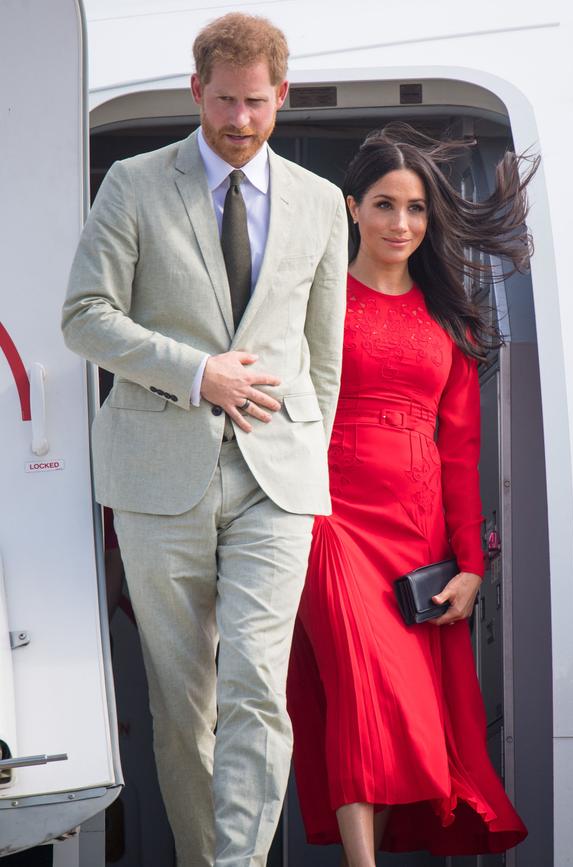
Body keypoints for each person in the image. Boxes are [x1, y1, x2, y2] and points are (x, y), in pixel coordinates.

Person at [61, 12, 347, 867]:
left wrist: (304, 453)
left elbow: (321, 358)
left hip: (275, 480)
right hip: (159, 475)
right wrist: (197, 374)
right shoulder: (134, 184)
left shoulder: (322, 203)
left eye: (256, 103)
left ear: (281, 96)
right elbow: (85, 318)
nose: (239, 120)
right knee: (184, 705)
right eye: (223, 100)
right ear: (196, 91)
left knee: (260, 685)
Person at [287, 123, 537, 865]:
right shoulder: (313, 302)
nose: (402, 223)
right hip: (328, 520)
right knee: (362, 690)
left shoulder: (448, 317)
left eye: (417, 208)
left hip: (418, 536)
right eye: (386, 205)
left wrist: (470, 565)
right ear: (352, 207)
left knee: (407, 716)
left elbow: (459, 451)